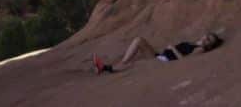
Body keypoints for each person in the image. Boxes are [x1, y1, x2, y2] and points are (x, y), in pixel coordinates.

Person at [93, 32, 223, 73]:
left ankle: (107, 68)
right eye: (208, 35)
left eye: (209, 39)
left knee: (135, 61)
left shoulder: (199, 49)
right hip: (163, 56)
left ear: (209, 45)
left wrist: (172, 49)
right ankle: (108, 67)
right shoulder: (194, 43)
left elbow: (184, 61)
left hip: (164, 60)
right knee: (139, 41)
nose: (206, 38)